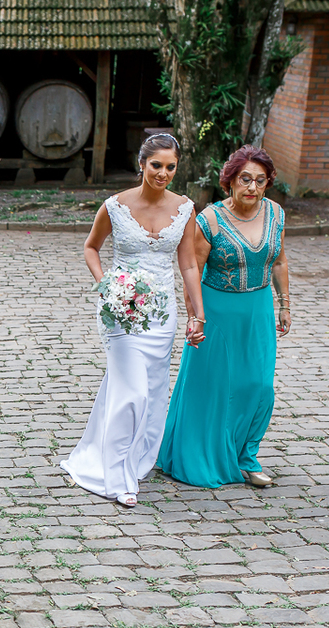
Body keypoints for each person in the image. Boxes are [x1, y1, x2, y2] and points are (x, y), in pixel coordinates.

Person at [61, 134, 206, 508]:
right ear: (142, 164)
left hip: (161, 315)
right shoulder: (115, 205)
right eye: (156, 165)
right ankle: (118, 478)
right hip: (120, 310)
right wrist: (106, 284)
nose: (163, 173)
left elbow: (188, 263)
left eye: (170, 167)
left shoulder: (186, 209)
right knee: (132, 392)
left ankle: (137, 459)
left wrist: (197, 313)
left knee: (154, 391)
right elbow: (91, 247)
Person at [158, 145, 291, 488]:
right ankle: (200, 452)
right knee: (213, 387)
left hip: (258, 312)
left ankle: (247, 454)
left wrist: (285, 304)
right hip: (216, 313)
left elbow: (279, 261)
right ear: (230, 181)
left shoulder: (276, 214)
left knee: (259, 386)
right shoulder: (211, 220)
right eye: (245, 179)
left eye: (260, 181)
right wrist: (195, 318)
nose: (252, 187)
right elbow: (191, 271)